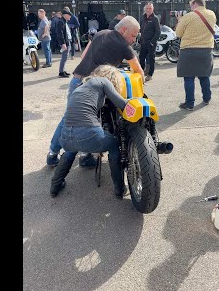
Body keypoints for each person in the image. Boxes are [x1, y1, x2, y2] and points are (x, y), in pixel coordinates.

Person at [46, 16, 145, 167]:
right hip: (93, 86)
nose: (133, 40)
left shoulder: (100, 33)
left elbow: (85, 55)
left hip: (77, 80)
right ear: (123, 30)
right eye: (133, 35)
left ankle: (53, 154)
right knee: (93, 119)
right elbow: (137, 68)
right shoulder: (124, 46)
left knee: (70, 118)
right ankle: (85, 157)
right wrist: (142, 79)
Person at [50, 65, 131, 198]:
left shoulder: (81, 86)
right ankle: (119, 189)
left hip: (66, 136)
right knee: (113, 144)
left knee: (71, 149)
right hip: (88, 134)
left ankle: (55, 185)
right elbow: (121, 104)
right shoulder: (103, 82)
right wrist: (134, 100)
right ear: (111, 78)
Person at [175, 0, 216, 111]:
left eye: (191, 6)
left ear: (194, 5)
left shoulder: (188, 16)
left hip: (188, 51)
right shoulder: (212, 14)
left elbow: (178, 33)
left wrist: (179, 20)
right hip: (206, 51)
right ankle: (207, 98)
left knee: (188, 78)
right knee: (204, 76)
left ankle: (189, 104)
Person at [139, 2, 161, 82]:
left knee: (151, 60)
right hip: (143, 43)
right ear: (145, 9)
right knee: (141, 58)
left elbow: (158, 32)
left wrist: (152, 42)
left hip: (151, 44)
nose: (148, 10)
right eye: (147, 8)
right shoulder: (143, 17)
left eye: (150, 8)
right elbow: (140, 29)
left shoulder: (155, 19)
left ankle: (150, 75)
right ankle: (141, 74)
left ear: (153, 9)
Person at [56, 10, 73, 78]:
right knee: (64, 57)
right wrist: (63, 43)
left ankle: (63, 70)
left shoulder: (64, 21)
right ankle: (61, 72)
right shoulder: (61, 22)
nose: (70, 17)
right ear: (65, 15)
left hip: (67, 41)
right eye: (69, 15)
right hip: (65, 42)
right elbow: (60, 33)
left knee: (65, 57)